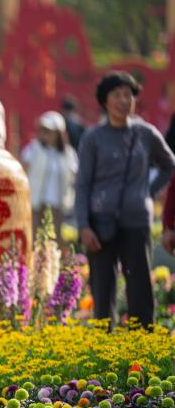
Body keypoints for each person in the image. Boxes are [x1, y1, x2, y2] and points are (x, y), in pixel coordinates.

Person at [74, 71, 175, 329]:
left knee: (140, 287)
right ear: (105, 101)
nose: (123, 100)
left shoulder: (145, 133)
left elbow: (169, 164)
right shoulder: (93, 138)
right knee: (102, 288)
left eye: (128, 95)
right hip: (100, 223)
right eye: (116, 95)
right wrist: (83, 225)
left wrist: (147, 192)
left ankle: (142, 349)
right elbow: (83, 184)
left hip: (136, 221)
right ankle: (104, 349)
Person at [21, 111, 77, 237]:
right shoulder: (33, 148)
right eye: (43, 130)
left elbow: (74, 177)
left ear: (59, 133)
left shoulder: (68, 154)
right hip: (36, 205)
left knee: (55, 241)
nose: (45, 134)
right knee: (34, 239)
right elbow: (22, 170)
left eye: (49, 130)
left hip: (58, 206)